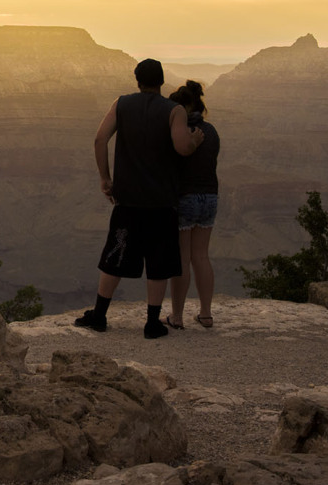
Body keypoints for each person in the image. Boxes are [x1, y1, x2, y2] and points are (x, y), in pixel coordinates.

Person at [75, 59, 204, 339]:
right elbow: (182, 148)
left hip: (128, 200)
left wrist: (105, 178)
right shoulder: (174, 111)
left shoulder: (120, 104)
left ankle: (99, 316)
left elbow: (99, 140)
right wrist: (196, 140)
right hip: (161, 202)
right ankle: (151, 323)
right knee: (158, 262)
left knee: (115, 255)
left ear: (137, 81)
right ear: (161, 81)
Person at [165, 81, 220, 330]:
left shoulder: (179, 133)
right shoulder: (212, 131)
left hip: (185, 199)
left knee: (182, 257)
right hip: (209, 197)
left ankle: (177, 316)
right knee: (201, 256)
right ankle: (206, 314)